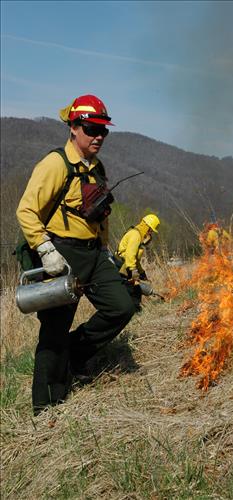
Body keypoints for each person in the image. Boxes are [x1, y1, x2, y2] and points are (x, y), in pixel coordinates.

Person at [16, 94, 136, 416]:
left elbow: (102, 214)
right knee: (53, 331)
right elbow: (26, 210)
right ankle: (46, 408)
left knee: (122, 306)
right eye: (92, 128)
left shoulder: (97, 167)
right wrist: (45, 249)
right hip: (61, 254)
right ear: (74, 127)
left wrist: (107, 250)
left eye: (104, 130)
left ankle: (76, 353)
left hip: (94, 254)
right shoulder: (55, 164)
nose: (98, 136)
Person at [114, 214, 160, 311]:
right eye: (151, 230)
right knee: (133, 289)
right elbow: (130, 255)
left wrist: (141, 272)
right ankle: (134, 311)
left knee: (134, 289)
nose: (151, 233)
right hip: (121, 264)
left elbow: (134, 258)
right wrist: (133, 270)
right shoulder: (136, 235)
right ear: (147, 227)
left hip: (125, 264)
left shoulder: (138, 236)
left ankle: (134, 310)